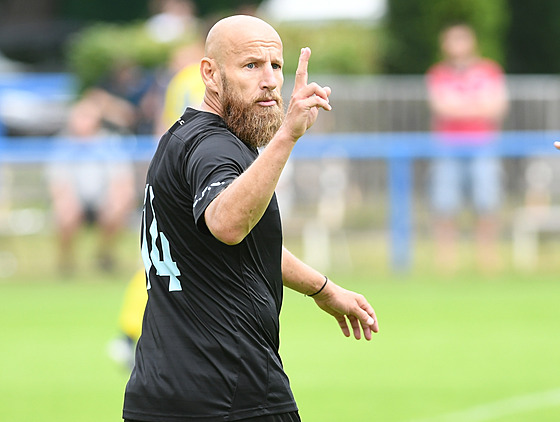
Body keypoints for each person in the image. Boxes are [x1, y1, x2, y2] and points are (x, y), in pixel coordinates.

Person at [123, 15, 379, 422]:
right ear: (210, 74)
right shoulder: (215, 147)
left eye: (276, 66)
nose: (270, 81)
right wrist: (288, 135)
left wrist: (322, 289)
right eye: (251, 65)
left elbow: (249, 244)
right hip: (230, 390)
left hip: (159, 393)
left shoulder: (182, 137)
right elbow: (227, 225)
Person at [426, 23, 509, 273]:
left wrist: (460, 107)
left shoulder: (489, 71)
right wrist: (476, 107)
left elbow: (497, 107)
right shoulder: (438, 73)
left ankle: (488, 259)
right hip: (447, 146)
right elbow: (442, 107)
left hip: (483, 145)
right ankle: (446, 262)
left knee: (487, 204)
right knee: (444, 205)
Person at [46, 98, 135, 274]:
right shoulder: (62, 145)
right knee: (64, 211)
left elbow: (122, 181)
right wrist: (67, 201)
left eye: (87, 117)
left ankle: (104, 255)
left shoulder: (110, 143)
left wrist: (115, 200)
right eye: (80, 117)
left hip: (103, 200)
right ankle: (66, 261)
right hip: (74, 200)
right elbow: (57, 183)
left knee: (119, 206)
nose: (83, 122)